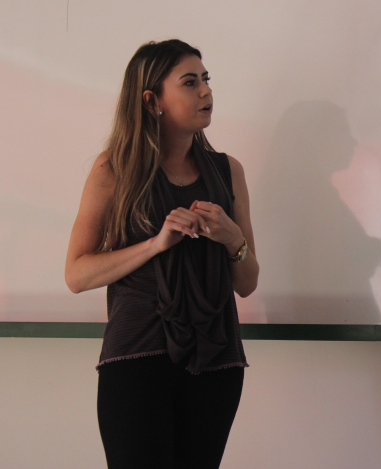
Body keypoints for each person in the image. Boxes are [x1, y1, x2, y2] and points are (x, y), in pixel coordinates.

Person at [64, 39, 259, 469]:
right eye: (190, 82)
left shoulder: (228, 171)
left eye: (206, 79)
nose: (206, 91)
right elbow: (76, 275)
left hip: (216, 362)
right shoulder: (113, 169)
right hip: (137, 357)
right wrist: (155, 243)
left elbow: (247, 284)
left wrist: (232, 239)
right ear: (152, 101)